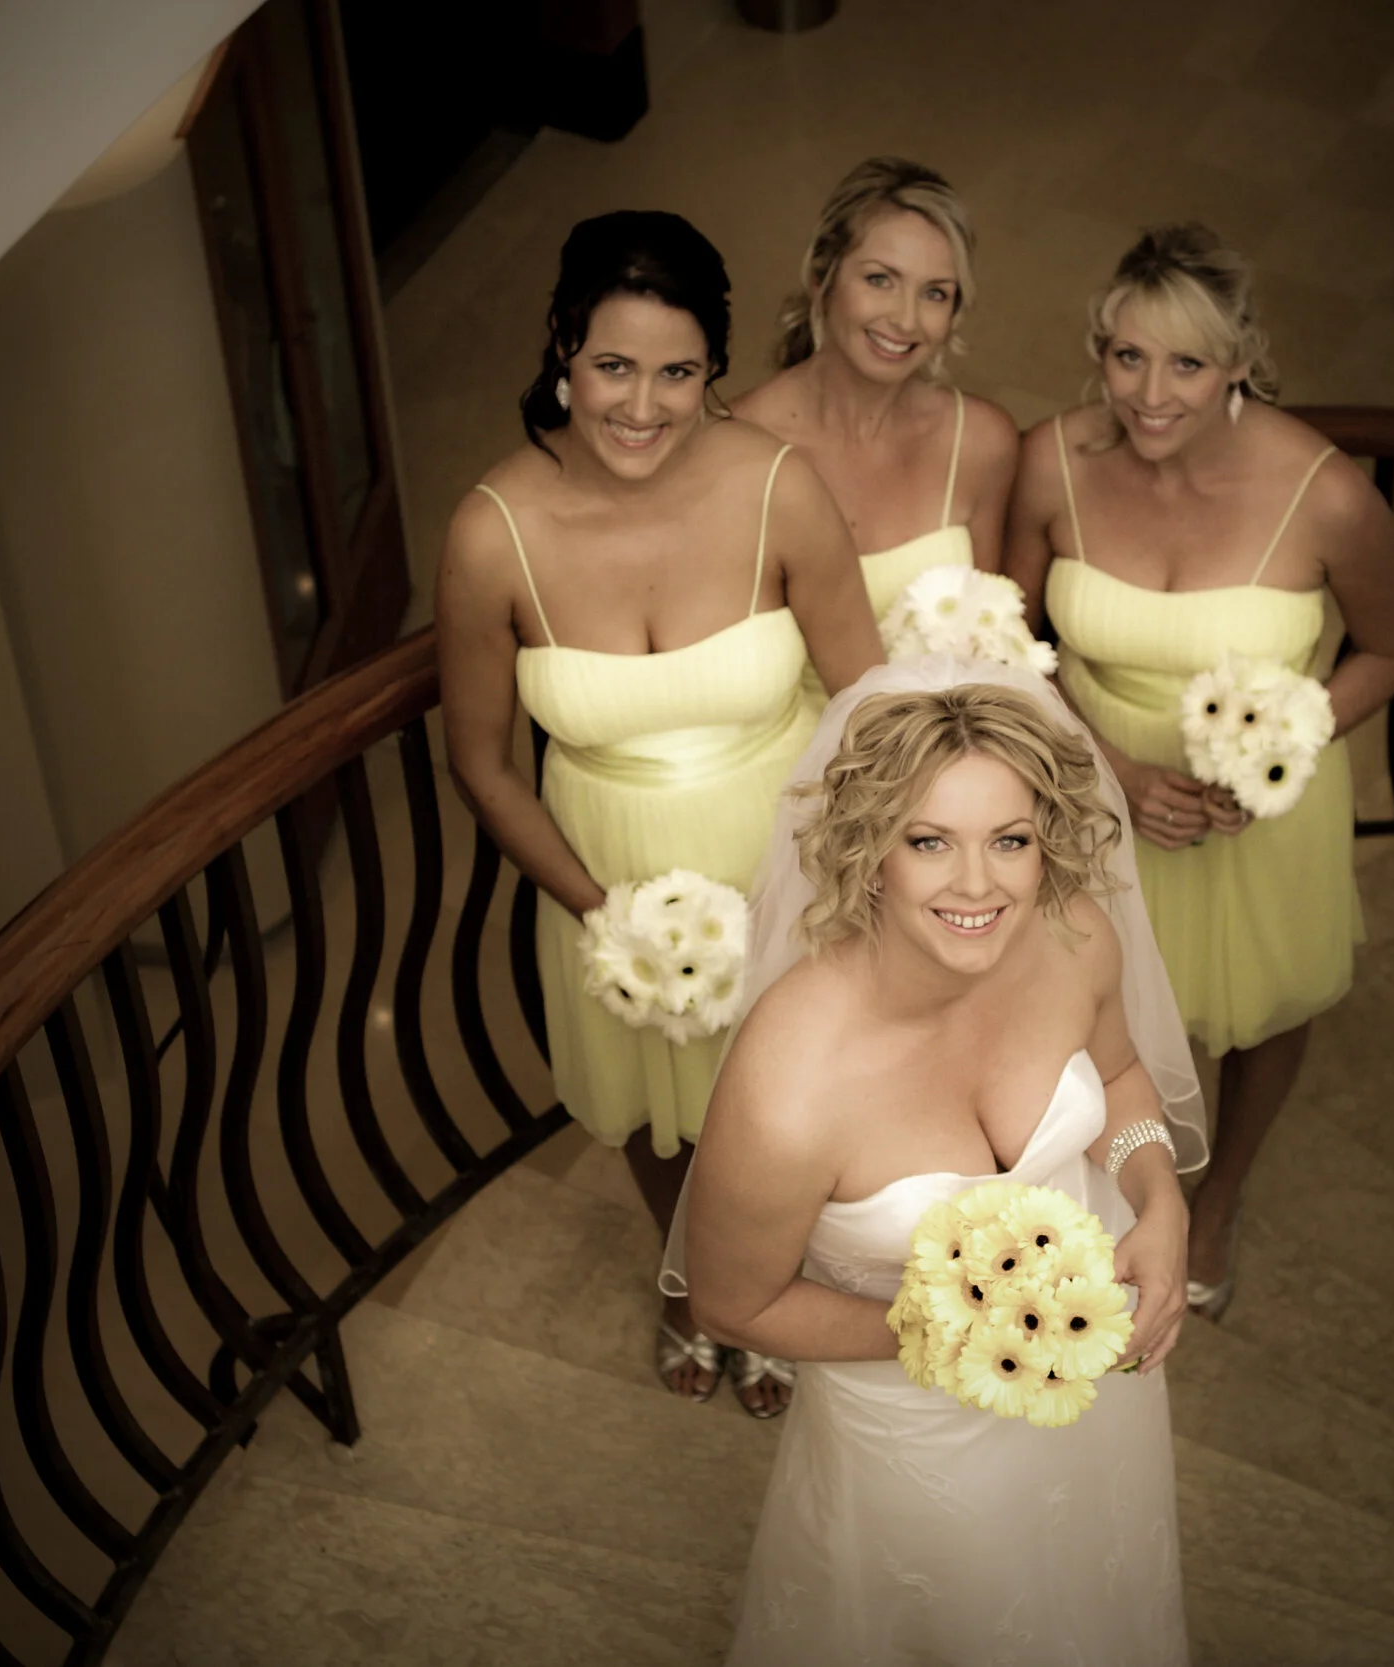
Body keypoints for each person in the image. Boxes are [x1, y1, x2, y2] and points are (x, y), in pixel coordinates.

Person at [437, 210, 880, 1418]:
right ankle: (691, 1280)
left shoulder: (777, 486)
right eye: (613, 366)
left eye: (677, 372)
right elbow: (483, 763)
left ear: (712, 373)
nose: (642, 405)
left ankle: (782, 1281)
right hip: (609, 874)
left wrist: (819, 879)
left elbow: (871, 704)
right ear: (564, 350)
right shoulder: (492, 535)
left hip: (786, 856)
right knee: (658, 1114)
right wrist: (607, 912)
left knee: (791, 1110)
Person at [671, 664, 1205, 1665]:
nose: (978, 884)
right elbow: (731, 1304)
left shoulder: (1071, 934)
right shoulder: (789, 1083)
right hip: (914, 1441)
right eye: (930, 841)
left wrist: (1157, 1197)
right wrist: (964, 1334)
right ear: (870, 852)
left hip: (1096, 1376)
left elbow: (1122, 1076)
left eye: (1009, 839)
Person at [1005, 223, 1394, 1321]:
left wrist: (1283, 742)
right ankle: (1099, 1186)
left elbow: (1388, 649)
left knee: (1264, 1000)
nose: (1150, 393)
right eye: (1125, 356)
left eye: (1186, 363)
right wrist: (1114, 775)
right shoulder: (1051, 461)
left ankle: (1220, 1194)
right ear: (1097, 349)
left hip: (1253, 812)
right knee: (1084, 1012)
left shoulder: (1325, 494)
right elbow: (1006, 640)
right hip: (1092, 779)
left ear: (1239, 361)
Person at [732, 157, 1018, 688]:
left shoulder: (980, 442)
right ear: (822, 279)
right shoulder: (733, 446)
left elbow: (992, 650)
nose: (905, 319)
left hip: (942, 747)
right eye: (880, 280)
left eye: (935, 293)